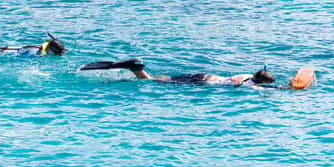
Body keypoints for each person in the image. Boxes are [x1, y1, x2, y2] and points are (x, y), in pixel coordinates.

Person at [79, 59, 316, 90]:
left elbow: (265, 81)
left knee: (164, 79)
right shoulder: (250, 88)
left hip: (206, 75)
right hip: (205, 84)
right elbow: (269, 90)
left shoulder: (245, 76)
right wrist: (291, 88)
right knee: (156, 84)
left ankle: (136, 69)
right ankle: (135, 68)